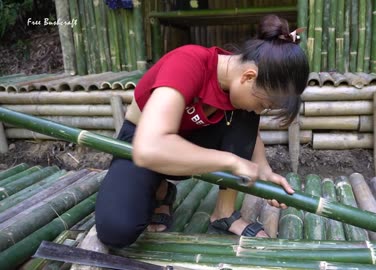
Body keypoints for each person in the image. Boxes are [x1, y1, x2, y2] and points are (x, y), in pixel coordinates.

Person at [95, 14, 309, 248]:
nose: (261, 110)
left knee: (244, 111)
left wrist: (265, 171)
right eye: (264, 105)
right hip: (143, 144)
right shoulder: (188, 62)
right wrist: (230, 160)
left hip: (191, 146)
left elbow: (247, 131)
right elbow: (149, 148)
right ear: (248, 76)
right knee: (116, 229)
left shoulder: (238, 80)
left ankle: (224, 212)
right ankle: (160, 190)